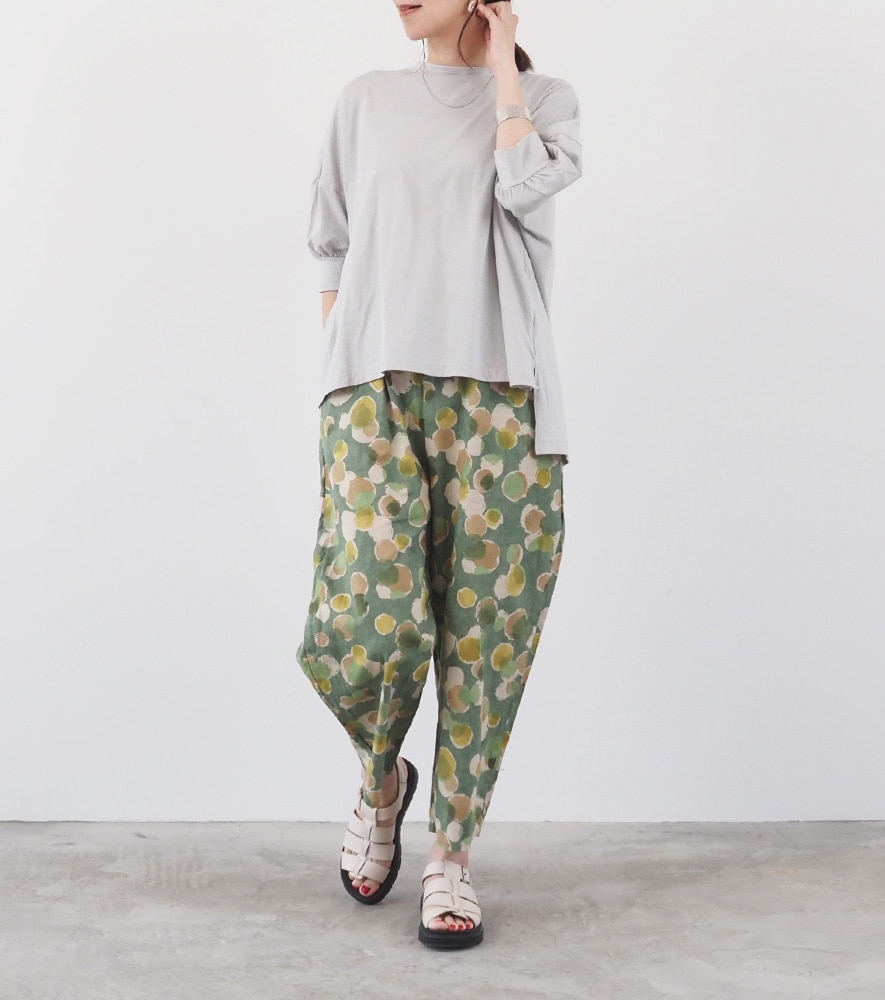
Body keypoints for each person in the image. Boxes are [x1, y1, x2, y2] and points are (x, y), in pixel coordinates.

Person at [296, 0, 583, 950]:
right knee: (365, 617)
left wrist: (502, 67)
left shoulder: (543, 100)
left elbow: (526, 185)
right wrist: (341, 358)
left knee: (486, 635)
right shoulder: (365, 101)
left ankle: (451, 855)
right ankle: (381, 783)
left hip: (502, 397)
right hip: (375, 388)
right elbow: (331, 238)